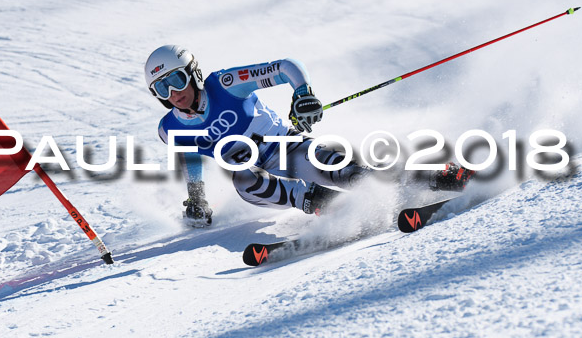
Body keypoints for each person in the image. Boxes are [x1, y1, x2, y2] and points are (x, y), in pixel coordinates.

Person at [144, 45, 473, 227]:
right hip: (258, 184)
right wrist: (197, 196)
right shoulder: (169, 128)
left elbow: (286, 66)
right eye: (161, 88)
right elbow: (189, 156)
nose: (173, 92)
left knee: (342, 169)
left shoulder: (225, 84)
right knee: (244, 177)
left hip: (287, 149)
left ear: (192, 73)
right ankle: (329, 206)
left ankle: (432, 177)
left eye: (176, 80)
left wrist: (302, 93)